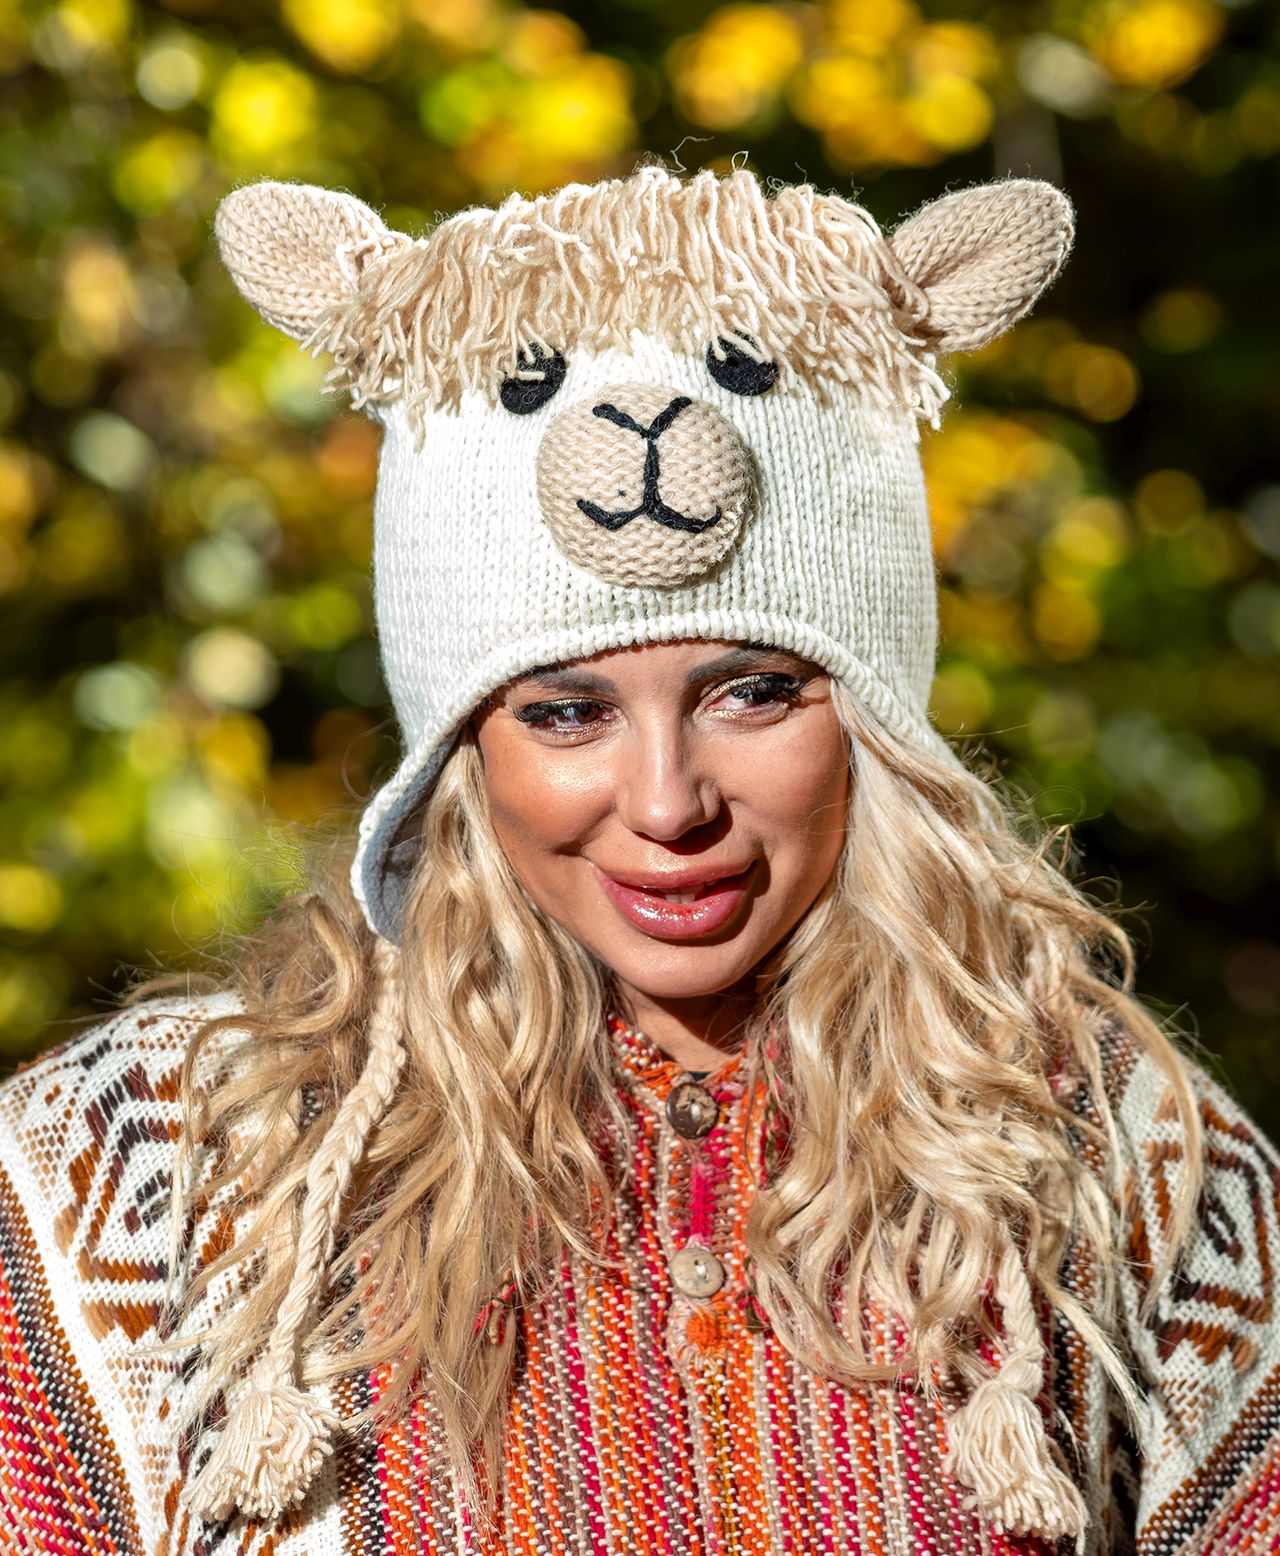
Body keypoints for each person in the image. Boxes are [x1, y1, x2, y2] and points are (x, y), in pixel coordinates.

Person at [0, 162, 1275, 1556]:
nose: (668, 805)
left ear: (879, 716)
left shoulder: (1119, 1154)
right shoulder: (148, 1161)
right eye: (567, 713)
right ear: (460, 747)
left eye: (755, 693)